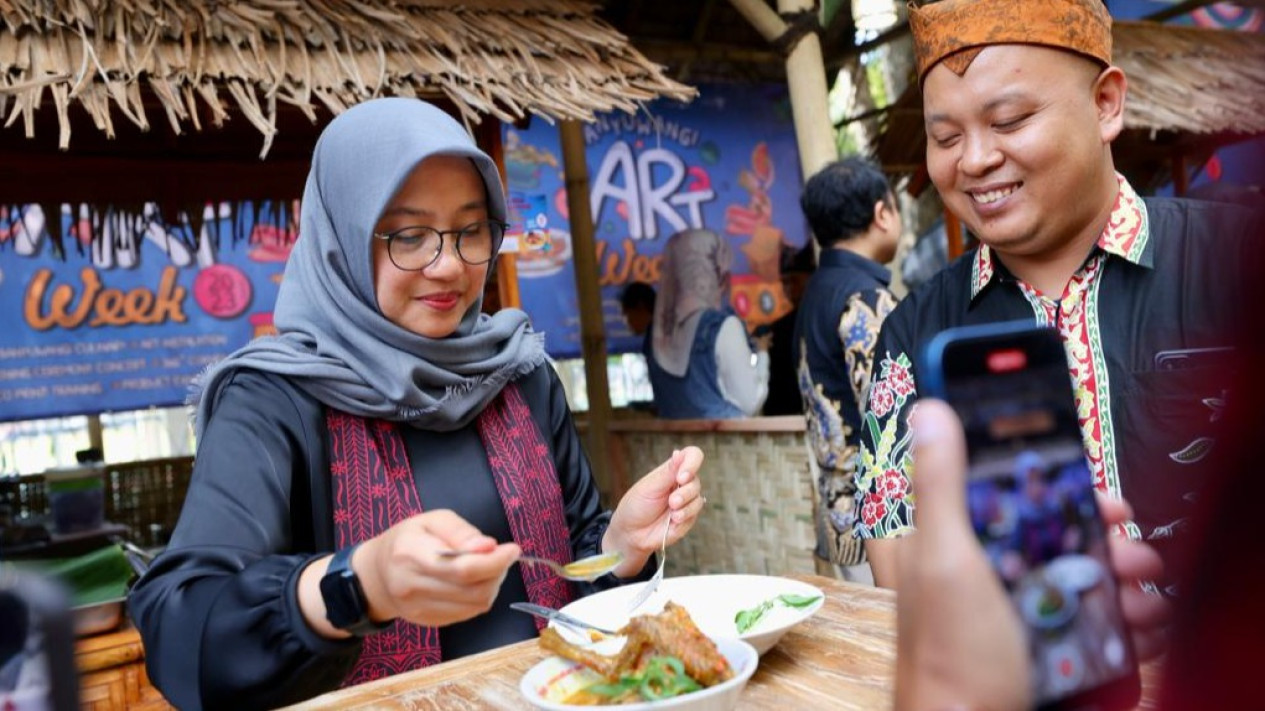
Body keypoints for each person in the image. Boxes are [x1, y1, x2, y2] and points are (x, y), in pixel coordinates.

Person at [128, 98, 707, 710]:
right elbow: (181, 631)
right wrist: (360, 582)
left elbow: (575, 578)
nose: (449, 265)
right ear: (344, 239)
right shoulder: (275, 399)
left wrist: (620, 546)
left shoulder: (518, 373)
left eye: (470, 230)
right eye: (409, 235)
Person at [854, 0, 1264, 588]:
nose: (975, 160)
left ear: (1105, 104)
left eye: (1009, 120)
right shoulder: (914, 334)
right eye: (946, 137)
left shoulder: (1240, 262)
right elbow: (898, 568)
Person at [792, 157, 902, 569]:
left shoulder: (815, 294)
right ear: (882, 213)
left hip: (840, 523)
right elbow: (893, 426)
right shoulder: (866, 300)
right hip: (884, 531)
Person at [645, 228, 769, 418]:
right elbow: (750, 402)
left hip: (674, 437)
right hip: (721, 436)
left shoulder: (656, 336)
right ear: (716, 275)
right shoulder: (721, 327)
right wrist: (763, 354)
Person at [761, 245, 814, 417]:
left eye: (795, 281)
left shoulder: (825, 319)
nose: (789, 288)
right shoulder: (778, 328)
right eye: (785, 282)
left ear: (811, 278)